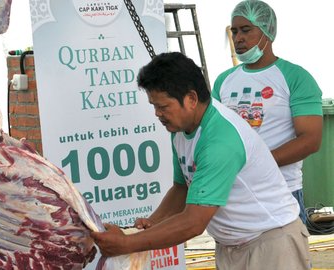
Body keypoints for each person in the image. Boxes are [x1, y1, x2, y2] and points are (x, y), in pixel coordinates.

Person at [90, 52, 311, 269]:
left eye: (163, 106)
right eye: (154, 106)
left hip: (271, 244)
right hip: (232, 247)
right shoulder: (179, 130)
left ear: (192, 99)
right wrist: (150, 225)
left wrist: (127, 243)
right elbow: (181, 188)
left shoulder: (220, 140)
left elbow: (194, 223)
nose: (157, 114)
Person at [212, 0, 323, 224]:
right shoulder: (224, 80)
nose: (238, 38)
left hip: (280, 193)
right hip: (234, 195)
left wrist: (257, 163)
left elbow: (311, 140)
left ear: (267, 31)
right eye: (234, 31)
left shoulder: (295, 77)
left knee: (286, 259)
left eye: (246, 30)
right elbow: (214, 133)